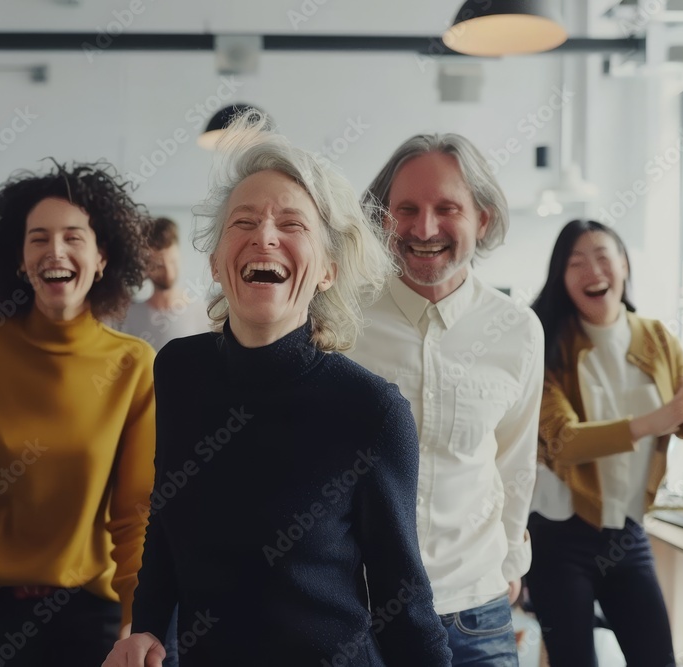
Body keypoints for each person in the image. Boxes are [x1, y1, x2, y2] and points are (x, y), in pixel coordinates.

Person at [104, 112, 452, 667]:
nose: (264, 234)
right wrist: (146, 629)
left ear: (328, 270)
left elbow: (403, 599)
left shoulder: (371, 411)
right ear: (218, 262)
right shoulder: (178, 370)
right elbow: (166, 520)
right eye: (243, 222)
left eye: (292, 224)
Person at [0, 162, 157, 667]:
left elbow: (134, 514)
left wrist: (136, 622)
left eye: (73, 237)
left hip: (89, 612)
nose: (55, 251)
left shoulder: (132, 365)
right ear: (20, 259)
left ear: (101, 258)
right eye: (38, 239)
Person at [348, 134, 544, 666]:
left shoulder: (519, 330)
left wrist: (508, 564)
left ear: (482, 220)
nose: (424, 228)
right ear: (382, 219)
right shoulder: (342, 320)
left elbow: (515, 462)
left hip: (474, 612)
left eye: (447, 208)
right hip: (361, 611)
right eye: (406, 209)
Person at [527, 218, 683, 666]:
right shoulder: (548, 344)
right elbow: (565, 442)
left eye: (603, 256)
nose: (592, 270)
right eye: (576, 262)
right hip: (560, 535)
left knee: (657, 659)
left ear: (624, 265)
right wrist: (657, 419)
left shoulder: (655, 337)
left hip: (629, 534)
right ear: (562, 277)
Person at [120, 217, 209, 351]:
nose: (169, 272)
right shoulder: (129, 317)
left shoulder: (203, 314)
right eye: (159, 265)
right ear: (144, 266)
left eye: (173, 261)